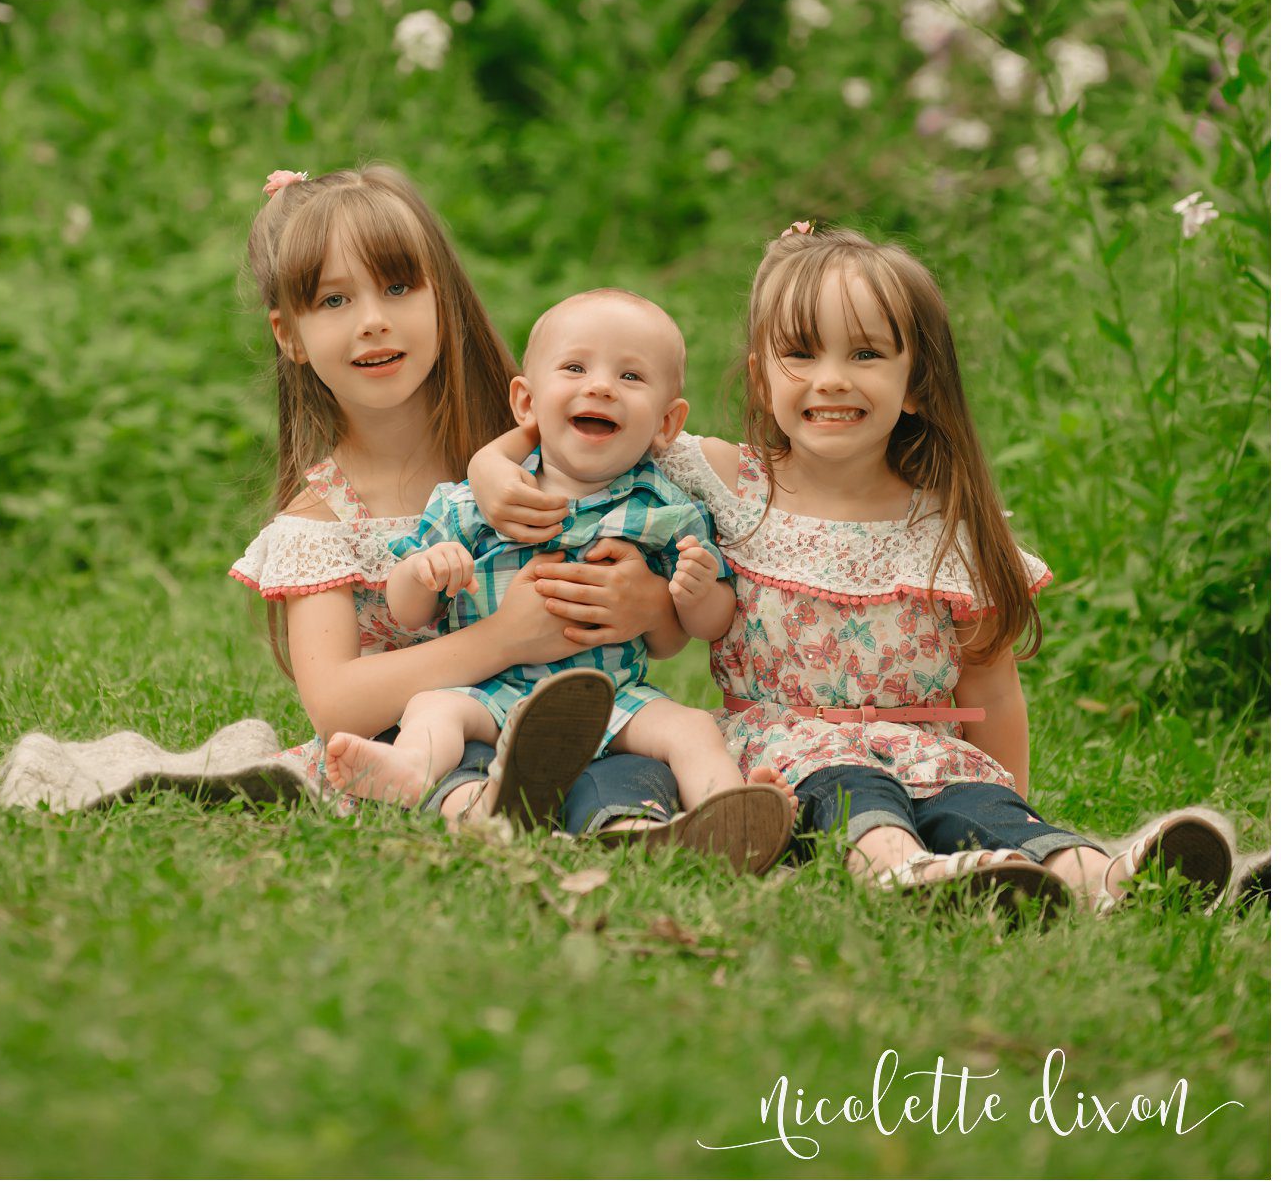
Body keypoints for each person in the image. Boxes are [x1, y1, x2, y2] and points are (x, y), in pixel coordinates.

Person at [470, 222, 1237, 913]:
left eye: (865, 354)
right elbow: (587, 430)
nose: (832, 377)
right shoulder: (731, 481)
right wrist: (491, 466)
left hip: (928, 749)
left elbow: (992, 684)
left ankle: (1103, 876)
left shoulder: (946, 525)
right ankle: (902, 869)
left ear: (916, 383)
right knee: (855, 794)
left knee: (982, 804)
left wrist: (1009, 792)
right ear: (763, 379)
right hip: (789, 751)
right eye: (802, 354)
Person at [229, 166, 792, 866]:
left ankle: (683, 818)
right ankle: (487, 814)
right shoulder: (320, 519)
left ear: (443, 299)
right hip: (437, 729)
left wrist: (650, 601)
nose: (372, 319)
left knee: (643, 755)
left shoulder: (545, 440)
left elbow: (661, 449)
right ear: (288, 334)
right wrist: (504, 637)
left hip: (597, 708)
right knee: (446, 752)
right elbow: (335, 705)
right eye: (334, 299)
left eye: (398, 288)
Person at [324, 289, 784, 822]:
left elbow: (679, 638)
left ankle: (728, 810)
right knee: (431, 706)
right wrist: (424, 571)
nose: (601, 386)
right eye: (575, 367)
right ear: (526, 402)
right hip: (484, 692)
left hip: (613, 697)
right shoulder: (471, 504)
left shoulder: (667, 511)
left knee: (692, 727)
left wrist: (696, 594)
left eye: (630, 376)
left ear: (666, 423)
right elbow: (407, 612)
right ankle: (411, 770)